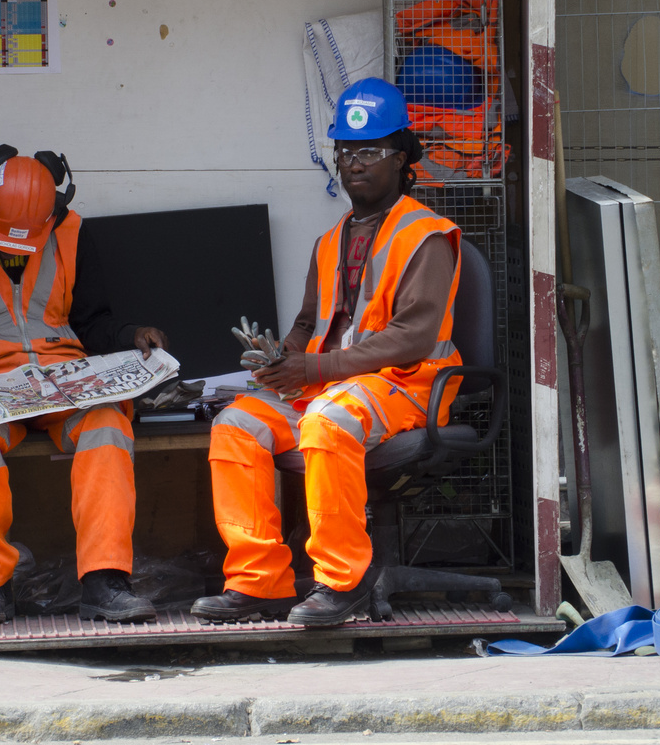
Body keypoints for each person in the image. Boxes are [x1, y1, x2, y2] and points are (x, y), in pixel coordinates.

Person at [192, 77, 464, 628]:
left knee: (326, 422)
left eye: (368, 151)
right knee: (235, 426)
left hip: (406, 386)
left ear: (401, 157)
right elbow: (307, 326)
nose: (354, 164)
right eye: (345, 152)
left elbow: (413, 336)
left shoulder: (428, 237)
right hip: (330, 384)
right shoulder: (331, 240)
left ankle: (343, 583)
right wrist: (280, 358)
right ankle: (258, 582)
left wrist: (313, 366)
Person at [0, 145, 168, 626]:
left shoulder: (71, 231)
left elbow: (91, 320)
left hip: (63, 376)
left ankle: (105, 582)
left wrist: (131, 337)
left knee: (108, 425)